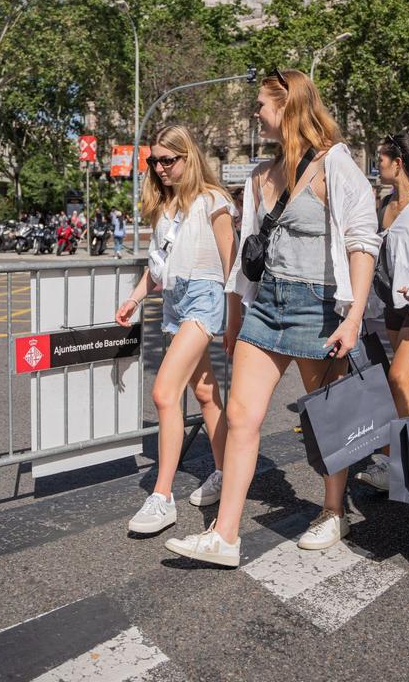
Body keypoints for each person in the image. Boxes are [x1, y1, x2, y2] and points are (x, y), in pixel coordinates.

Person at [164, 69, 379, 567]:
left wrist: (352, 318)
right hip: (266, 306)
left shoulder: (335, 165)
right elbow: (245, 257)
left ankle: (332, 509)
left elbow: (362, 242)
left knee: (327, 416)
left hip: (319, 304)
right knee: (241, 416)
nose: (254, 113)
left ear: (289, 107)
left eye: (261, 104)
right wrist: (235, 315)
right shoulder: (259, 175)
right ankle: (226, 535)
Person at [115, 125, 236, 536]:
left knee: (164, 392)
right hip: (173, 301)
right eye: (154, 161)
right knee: (204, 391)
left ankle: (162, 496)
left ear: (189, 157)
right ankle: (224, 471)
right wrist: (133, 299)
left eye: (169, 160)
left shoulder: (213, 201)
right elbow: (157, 269)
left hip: (204, 298)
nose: (160, 168)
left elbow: (230, 263)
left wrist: (234, 318)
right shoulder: (164, 205)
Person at [355, 134, 409, 490]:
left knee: (397, 378)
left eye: (381, 158)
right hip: (389, 304)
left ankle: (401, 462)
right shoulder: (388, 202)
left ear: (399, 162)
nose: (378, 165)